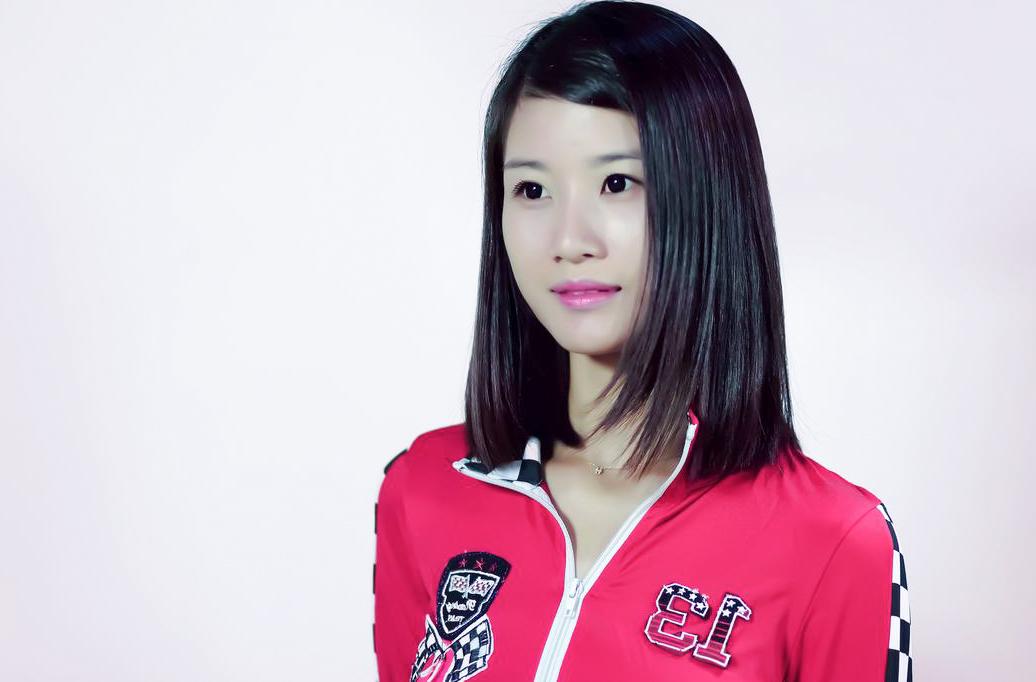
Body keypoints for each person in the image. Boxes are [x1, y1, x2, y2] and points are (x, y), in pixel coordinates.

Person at [372, 2, 912, 680]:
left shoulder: (837, 542)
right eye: (532, 189)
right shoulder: (422, 487)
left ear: (707, 203)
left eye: (617, 183)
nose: (570, 239)